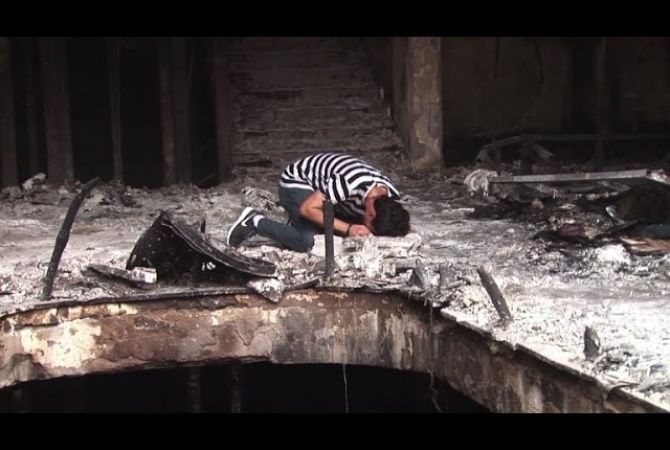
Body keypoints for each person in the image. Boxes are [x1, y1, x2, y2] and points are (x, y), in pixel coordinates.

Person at [226, 152, 410, 252]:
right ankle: (254, 221)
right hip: (298, 182)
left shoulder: (390, 195)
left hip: (331, 197)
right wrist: (348, 228)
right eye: (371, 225)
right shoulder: (349, 183)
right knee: (308, 242)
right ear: (369, 213)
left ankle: (294, 226)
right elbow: (308, 209)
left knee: (345, 236)